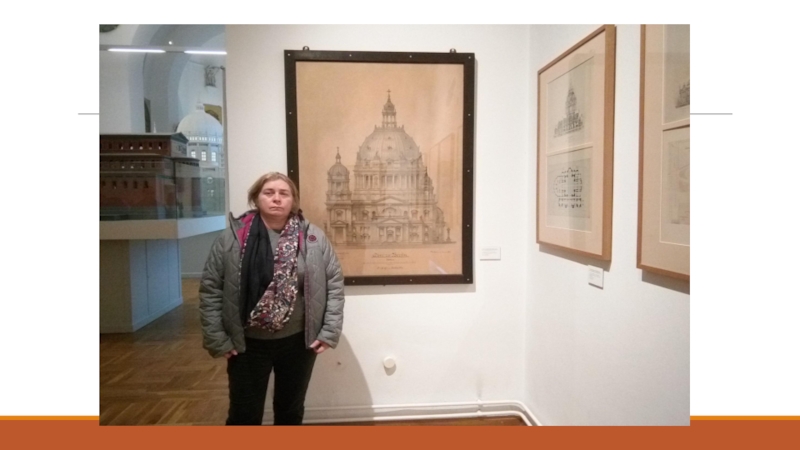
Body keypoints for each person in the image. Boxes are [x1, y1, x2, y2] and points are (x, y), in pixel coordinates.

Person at [199, 172, 344, 425]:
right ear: (256, 198)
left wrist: (329, 331)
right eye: (269, 193)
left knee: (290, 411)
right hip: (247, 343)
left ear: (293, 200)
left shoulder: (313, 237)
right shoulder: (232, 238)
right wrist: (217, 338)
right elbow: (211, 290)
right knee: (244, 415)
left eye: (283, 193)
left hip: (298, 342)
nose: (276, 198)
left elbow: (334, 284)